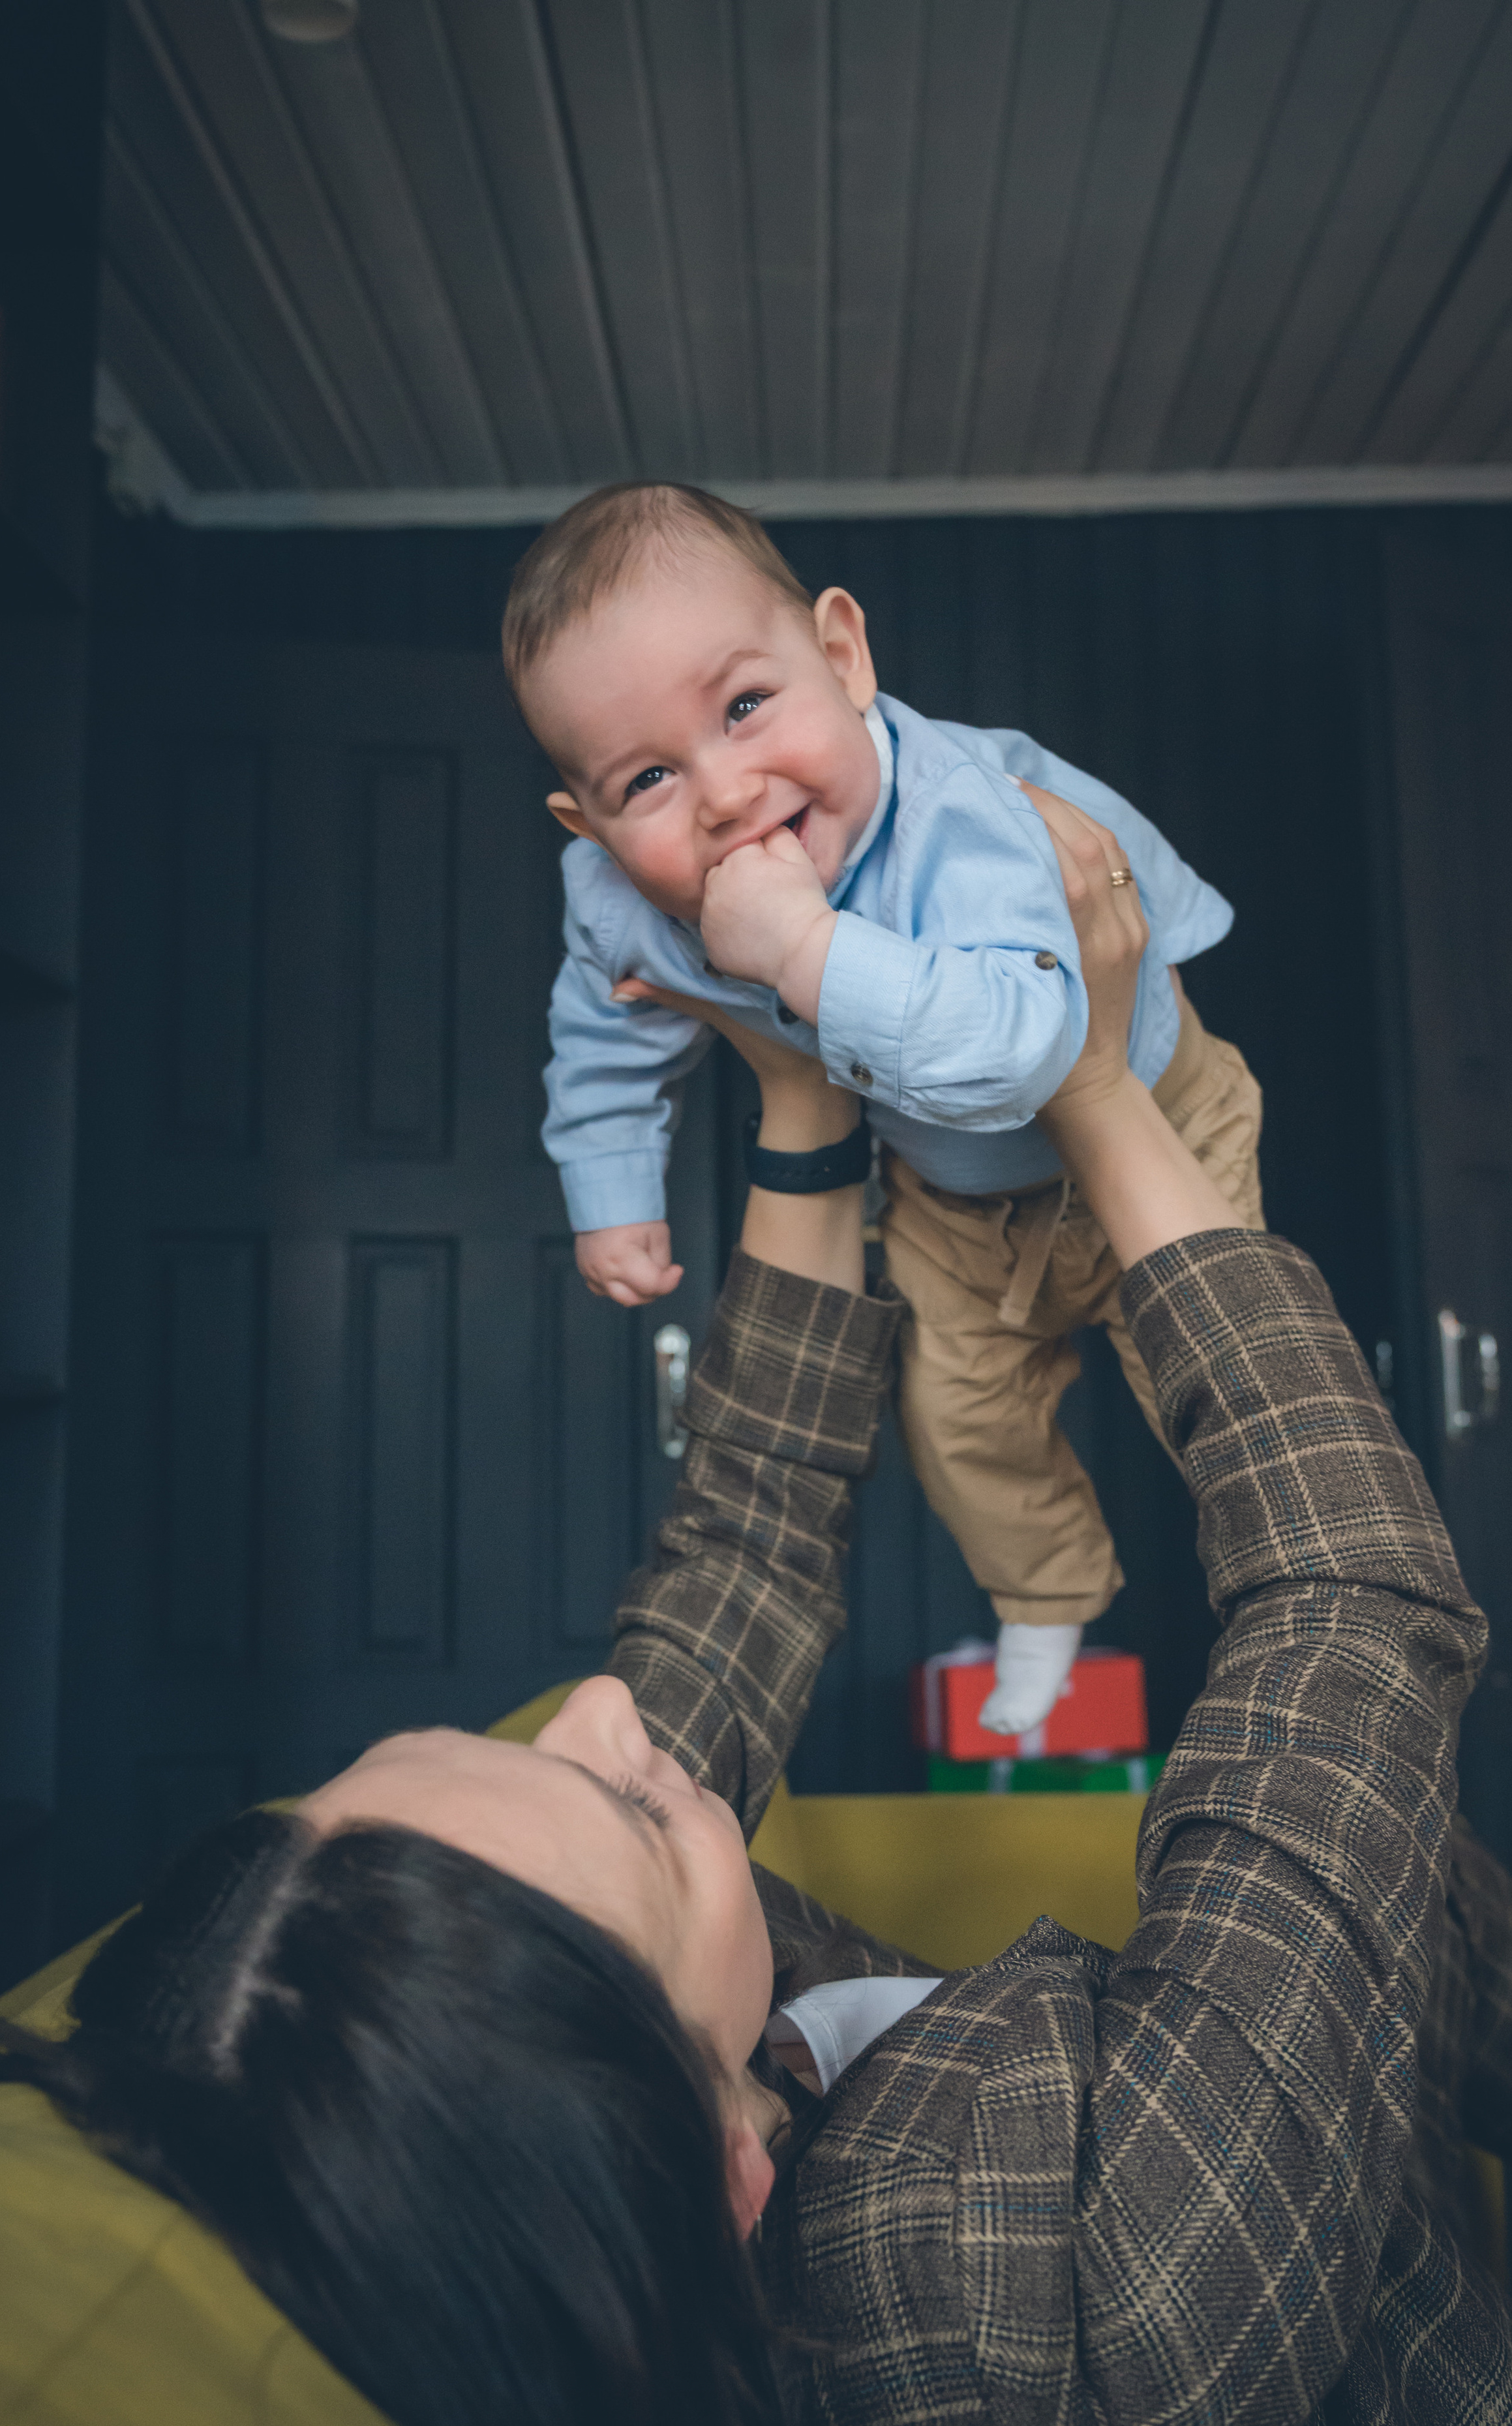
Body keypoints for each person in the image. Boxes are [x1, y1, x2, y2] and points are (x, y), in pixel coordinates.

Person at [0, 795, 1512, 2426]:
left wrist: (804, 1089)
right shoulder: (1055, 2323)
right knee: (1345, 1825)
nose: (607, 1713)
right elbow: (1348, 1604)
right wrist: (1095, 1084)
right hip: (1470, 2400)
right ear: (728, 2175)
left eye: (518, 1746)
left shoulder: (576, 2038)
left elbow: (737, 1555)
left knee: (1414, 1883)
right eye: (636, 1818)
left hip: (1341, 2158)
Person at [507, 480, 1263, 1735]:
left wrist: (803, 951)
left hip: (1157, 1115)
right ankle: (1043, 1595)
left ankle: (1293, 1600)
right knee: (955, 1416)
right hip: (952, 1194)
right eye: (646, 778)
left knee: (1219, 1377)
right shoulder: (618, 898)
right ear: (585, 824)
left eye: (747, 706)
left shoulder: (965, 816)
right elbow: (605, 1026)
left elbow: (1032, 1052)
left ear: (844, 657)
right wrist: (611, 1191)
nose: (726, 792)